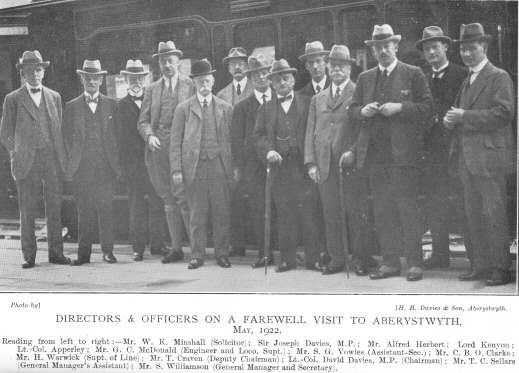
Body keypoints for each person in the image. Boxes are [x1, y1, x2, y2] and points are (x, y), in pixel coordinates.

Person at [348, 24, 433, 282]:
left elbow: (428, 108)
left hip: (404, 157)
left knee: (407, 209)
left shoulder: (413, 73)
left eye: (387, 45)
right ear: (373, 51)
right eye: (378, 47)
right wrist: (362, 111)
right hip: (375, 158)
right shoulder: (365, 78)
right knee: (383, 211)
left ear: (396, 46)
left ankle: (415, 263)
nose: (383, 50)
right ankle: (390, 262)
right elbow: (352, 110)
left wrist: (400, 107)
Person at [444, 23, 515, 286]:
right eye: (463, 49)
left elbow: (505, 112)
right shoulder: (468, 79)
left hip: (488, 159)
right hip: (468, 159)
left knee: (494, 214)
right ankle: (481, 265)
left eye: (471, 48)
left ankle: (501, 269)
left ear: (483, 47)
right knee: (473, 214)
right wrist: (452, 120)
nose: (466, 54)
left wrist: (464, 116)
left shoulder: (498, 76)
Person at [305, 45, 377, 276]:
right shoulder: (317, 99)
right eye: (333, 65)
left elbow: (365, 130)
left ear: (349, 68)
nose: (337, 70)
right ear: (328, 67)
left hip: (350, 166)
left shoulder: (359, 93)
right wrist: (311, 164)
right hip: (325, 166)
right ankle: (337, 259)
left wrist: (354, 152)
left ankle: (360, 259)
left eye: (342, 66)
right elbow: (310, 133)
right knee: (331, 213)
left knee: (356, 214)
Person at [0, 50, 70, 268]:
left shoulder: (54, 96)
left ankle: (56, 253)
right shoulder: (13, 99)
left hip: (51, 158)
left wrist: (61, 158)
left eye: (38, 70)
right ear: (22, 73)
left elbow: (58, 129)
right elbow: (5, 133)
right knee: (27, 209)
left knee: (54, 207)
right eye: (29, 71)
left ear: (43, 72)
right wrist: (16, 152)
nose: (35, 74)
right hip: (26, 161)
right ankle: (29, 256)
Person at [253, 59, 321, 272]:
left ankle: (313, 259)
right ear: (271, 83)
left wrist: (312, 162)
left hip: (303, 169)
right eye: (277, 79)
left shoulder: (308, 102)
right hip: (280, 170)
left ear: (292, 80)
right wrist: (268, 151)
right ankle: (287, 260)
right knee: (284, 215)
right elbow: (258, 136)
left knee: (309, 214)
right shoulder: (265, 108)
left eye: (286, 78)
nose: (282, 82)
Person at [170, 59, 233, 270]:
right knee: (197, 213)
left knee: (221, 212)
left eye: (207, 81)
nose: (204, 85)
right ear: (194, 83)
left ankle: (222, 253)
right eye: (200, 82)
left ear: (213, 81)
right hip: (194, 167)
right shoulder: (184, 109)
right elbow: (175, 142)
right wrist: (177, 169)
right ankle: (197, 255)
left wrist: (232, 168)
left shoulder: (225, 108)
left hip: (218, 166)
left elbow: (231, 141)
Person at [416, 26, 470, 269]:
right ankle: (440, 254)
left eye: (435, 47)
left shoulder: (461, 74)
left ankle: (475, 259)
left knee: (462, 203)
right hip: (431, 152)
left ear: (446, 47)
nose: (431, 52)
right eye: (427, 49)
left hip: (455, 150)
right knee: (435, 203)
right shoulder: (422, 77)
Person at [137, 41, 194, 264]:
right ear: (159, 64)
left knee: (185, 198)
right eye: (163, 60)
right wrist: (150, 135)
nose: (167, 64)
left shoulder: (190, 85)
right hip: (159, 152)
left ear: (178, 61)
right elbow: (142, 121)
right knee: (169, 199)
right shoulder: (151, 89)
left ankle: (196, 249)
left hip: (183, 151)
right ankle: (177, 248)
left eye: (170, 60)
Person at [63, 60, 120, 265]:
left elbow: (118, 136)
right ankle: (83, 255)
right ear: (82, 79)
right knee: (84, 211)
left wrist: (116, 164)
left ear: (102, 80)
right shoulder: (71, 106)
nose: (92, 81)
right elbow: (66, 137)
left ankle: (108, 252)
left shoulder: (112, 104)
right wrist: (73, 160)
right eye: (88, 78)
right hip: (82, 169)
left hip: (106, 167)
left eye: (95, 78)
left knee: (106, 209)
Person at [117, 59, 167, 261]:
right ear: (126, 80)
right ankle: (138, 248)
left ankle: (158, 245)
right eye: (132, 78)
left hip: (153, 161)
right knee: (136, 206)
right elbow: (119, 139)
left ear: (144, 79)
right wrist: (123, 167)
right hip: (134, 166)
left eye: (139, 77)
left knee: (157, 203)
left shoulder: (152, 100)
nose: (136, 81)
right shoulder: (119, 106)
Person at [230, 54, 273, 268]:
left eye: (265, 73)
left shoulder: (280, 100)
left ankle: (286, 251)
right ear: (251, 78)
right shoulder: (242, 108)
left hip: (280, 164)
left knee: (283, 207)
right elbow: (236, 141)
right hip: (253, 169)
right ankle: (264, 254)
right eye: (256, 75)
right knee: (259, 210)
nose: (261, 77)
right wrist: (241, 168)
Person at [217, 47, 253, 257]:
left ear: (247, 65)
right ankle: (237, 244)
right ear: (229, 68)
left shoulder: (258, 90)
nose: (237, 67)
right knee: (233, 201)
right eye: (233, 63)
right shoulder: (221, 94)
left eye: (241, 62)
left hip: (254, 156)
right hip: (232, 157)